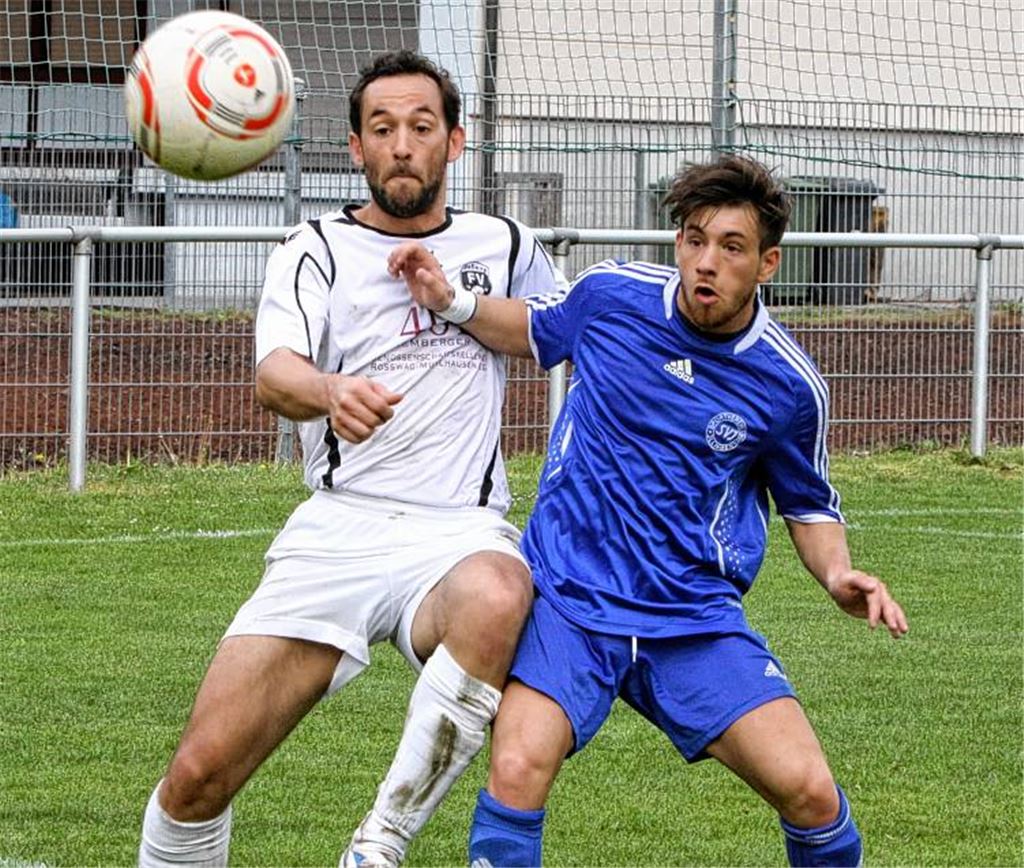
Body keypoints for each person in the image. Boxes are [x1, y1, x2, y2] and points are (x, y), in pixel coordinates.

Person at [388, 154, 909, 866]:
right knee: (516, 768)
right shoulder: (611, 297)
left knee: (812, 793)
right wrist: (450, 301)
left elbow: (808, 506)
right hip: (569, 602)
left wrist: (840, 575)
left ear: (768, 265)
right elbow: (532, 329)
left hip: (691, 619)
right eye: (695, 239)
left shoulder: (788, 386)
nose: (707, 261)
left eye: (731, 247)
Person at [139, 49, 567, 868]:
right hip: (339, 529)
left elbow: (554, 333)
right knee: (197, 777)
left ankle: (379, 845)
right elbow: (275, 374)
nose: (402, 144)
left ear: (455, 142)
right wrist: (331, 392)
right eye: (382, 129)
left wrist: (457, 301)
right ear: (355, 148)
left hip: (458, 530)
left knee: (502, 589)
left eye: (420, 126)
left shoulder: (504, 241)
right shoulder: (316, 248)